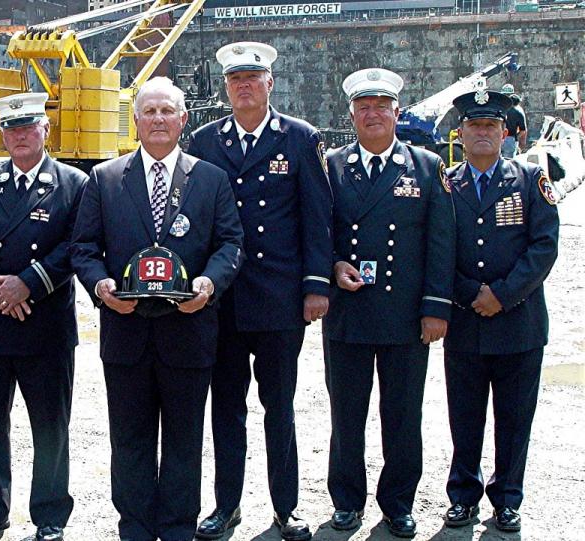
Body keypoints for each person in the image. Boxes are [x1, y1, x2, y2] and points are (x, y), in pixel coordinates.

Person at [70, 76, 244, 541]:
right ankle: (135, 527)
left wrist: (209, 283)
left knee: (185, 442)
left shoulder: (211, 179)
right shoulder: (105, 179)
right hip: (125, 334)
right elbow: (84, 247)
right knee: (129, 441)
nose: (159, 119)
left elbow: (230, 243)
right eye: (149, 111)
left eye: (168, 111)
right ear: (135, 119)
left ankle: (177, 527)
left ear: (183, 119)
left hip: (188, 332)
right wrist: (101, 285)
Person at [186, 41, 332, 541]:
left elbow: (317, 219)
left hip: (278, 299)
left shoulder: (300, 138)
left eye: (253, 78)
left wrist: (316, 287)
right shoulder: (205, 142)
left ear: (271, 83)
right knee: (226, 406)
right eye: (235, 79)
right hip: (222, 301)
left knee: (280, 406)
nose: (244, 86)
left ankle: (286, 507)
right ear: (226, 87)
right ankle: (225, 506)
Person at [323, 68, 455, 539]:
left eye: (381, 106)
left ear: (397, 112)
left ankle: (398, 502)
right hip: (348, 312)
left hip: (403, 313)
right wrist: (335, 265)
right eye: (364, 107)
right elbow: (321, 234)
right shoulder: (333, 167)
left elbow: (441, 243)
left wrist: (436, 306)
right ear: (352, 114)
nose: (372, 114)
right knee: (346, 414)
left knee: (402, 414)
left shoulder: (424, 166)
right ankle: (346, 500)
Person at [0, 92, 88, 541]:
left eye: (29, 127)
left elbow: (76, 246)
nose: (20, 136)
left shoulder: (73, 183)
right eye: (12, 129)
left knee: (51, 425)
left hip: (45, 323)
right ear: (2, 135)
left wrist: (27, 282)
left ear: (45, 130)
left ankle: (50, 514)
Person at [441, 89, 559, 533]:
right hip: (466, 320)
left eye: (491, 126)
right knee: (464, 417)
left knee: (513, 419)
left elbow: (544, 245)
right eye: (475, 126)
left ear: (505, 133)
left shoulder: (530, 180)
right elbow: (437, 251)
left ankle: (507, 498)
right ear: (461, 133)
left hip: (519, 322)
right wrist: (472, 293)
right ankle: (463, 495)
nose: (483, 133)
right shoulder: (445, 183)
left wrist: (503, 295)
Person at [500, 84, 527, 158]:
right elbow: (523, 131)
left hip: (497, 138)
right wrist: (516, 138)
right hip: (510, 140)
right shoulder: (518, 111)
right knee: (509, 164)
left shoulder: (499, 108)